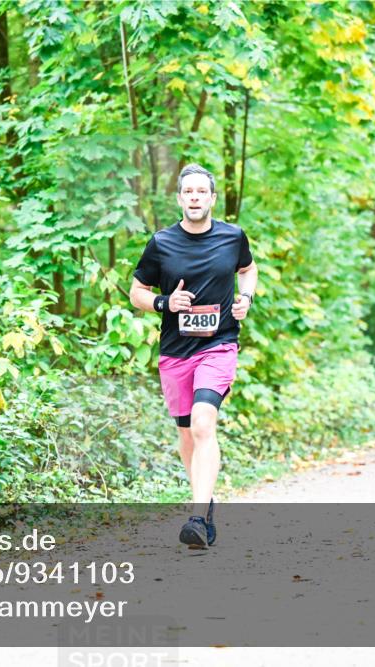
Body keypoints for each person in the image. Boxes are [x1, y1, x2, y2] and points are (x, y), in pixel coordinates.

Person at [130, 163, 257, 549]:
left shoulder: (232, 237)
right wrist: (165, 302)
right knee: (186, 433)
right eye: (189, 192)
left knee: (204, 424)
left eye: (202, 192)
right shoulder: (162, 243)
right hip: (175, 352)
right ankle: (206, 501)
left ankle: (197, 518)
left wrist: (245, 299)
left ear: (213, 198)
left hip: (218, 345)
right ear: (180, 198)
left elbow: (249, 270)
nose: (196, 198)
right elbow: (136, 291)